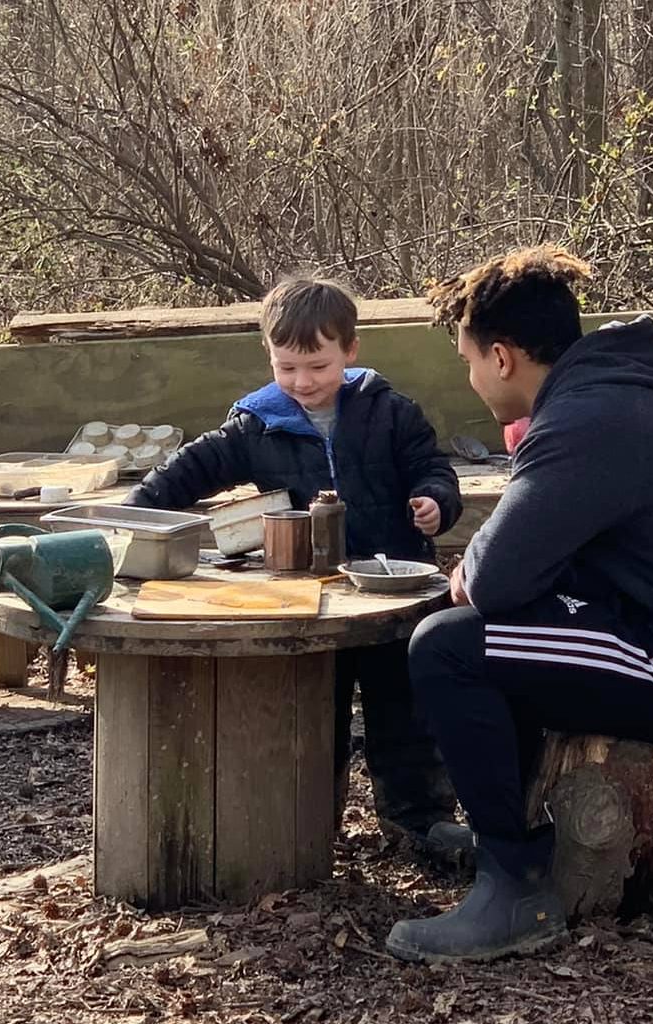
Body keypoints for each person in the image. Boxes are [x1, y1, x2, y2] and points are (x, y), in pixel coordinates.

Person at [385, 246, 653, 963]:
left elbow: (496, 579)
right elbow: (521, 565)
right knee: (479, 637)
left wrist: (481, 567)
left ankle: (514, 889)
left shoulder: (586, 420)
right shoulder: (602, 399)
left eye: (468, 362)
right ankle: (517, 839)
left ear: (502, 358)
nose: (469, 379)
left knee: (446, 648)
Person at [128, 276, 471, 862]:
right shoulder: (256, 424)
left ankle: (419, 821)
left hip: (396, 591)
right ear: (269, 356)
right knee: (313, 711)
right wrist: (131, 514)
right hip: (311, 598)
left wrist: (436, 501)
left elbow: (432, 468)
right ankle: (310, 819)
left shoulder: (389, 413)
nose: (302, 382)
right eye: (287, 368)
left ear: (350, 352)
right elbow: (187, 472)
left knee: (404, 710)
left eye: (316, 365)